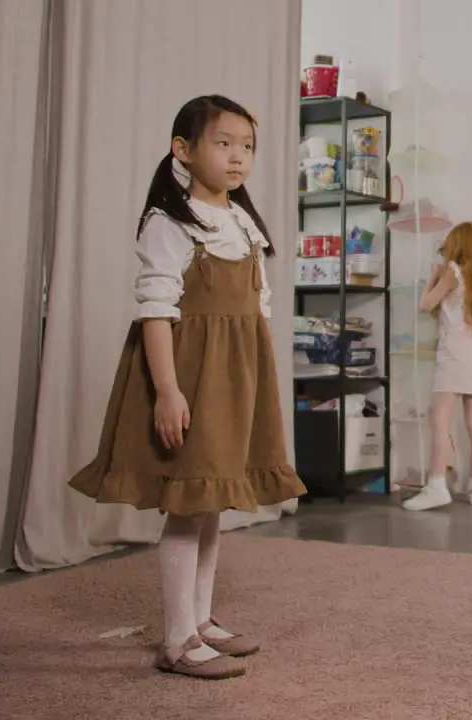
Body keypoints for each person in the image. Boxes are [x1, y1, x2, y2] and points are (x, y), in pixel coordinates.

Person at [68, 95, 307, 679]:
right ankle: (176, 640)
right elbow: (156, 311)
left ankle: (199, 619)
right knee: (188, 503)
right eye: (223, 143)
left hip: (235, 381)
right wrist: (168, 391)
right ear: (184, 150)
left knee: (213, 503)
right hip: (192, 379)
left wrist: (252, 386)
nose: (237, 157)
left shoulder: (243, 222)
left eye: (247, 146)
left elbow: (256, 311)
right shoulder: (169, 223)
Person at [404, 221, 472, 511]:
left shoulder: (453, 273)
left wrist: (432, 277)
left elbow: (425, 304)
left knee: (439, 420)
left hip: (454, 356)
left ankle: (436, 485)